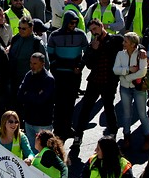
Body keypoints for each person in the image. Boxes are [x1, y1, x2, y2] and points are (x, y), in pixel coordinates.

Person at [73, 19, 125, 149]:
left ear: (101, 26)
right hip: (95, 81)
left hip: (109, 81)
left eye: (95, 29)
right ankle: (78, 136)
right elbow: (89, 64)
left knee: (108, 107)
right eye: (91, 31)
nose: (94, 33)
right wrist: (94, 50)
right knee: (86, 109)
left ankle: (113, 133)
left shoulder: (115, 40)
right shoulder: (93, 45)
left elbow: (129, 46)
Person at [46, 10, 88, 139]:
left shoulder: (81, 35)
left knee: (70, 102)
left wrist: (80, 67)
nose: (73, 25)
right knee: (59, 103)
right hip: (59, 75)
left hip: (74, 75)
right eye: (71, 23)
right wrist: (55, 68)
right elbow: (50, 53)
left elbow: (87, 52)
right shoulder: (54, 35)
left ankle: (68, 127)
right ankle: (58, 128)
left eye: (75, 23)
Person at [114, 32, 149, 151]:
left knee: (142, 114)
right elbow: (115, 69)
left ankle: (147, 139)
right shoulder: (120, 54)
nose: (123, 43)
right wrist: (129, 69)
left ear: (133, 44)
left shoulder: (141, 54)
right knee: (126, 114)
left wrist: (127, 77)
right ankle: (127, 137)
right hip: (124, 88)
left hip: (138, 88)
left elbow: (142, 72)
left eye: (126, 42)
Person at [17, 53, 55, 146]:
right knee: (30, 149)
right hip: (29, 120)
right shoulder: (29, 75)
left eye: (35, 64)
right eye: (31, 63)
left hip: (43, 122)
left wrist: (28, 94)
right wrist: (34, 94)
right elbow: (20, 95)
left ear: (42, 64)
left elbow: (41, 100)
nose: (32, 66)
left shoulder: (48, 79)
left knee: (44, 149)